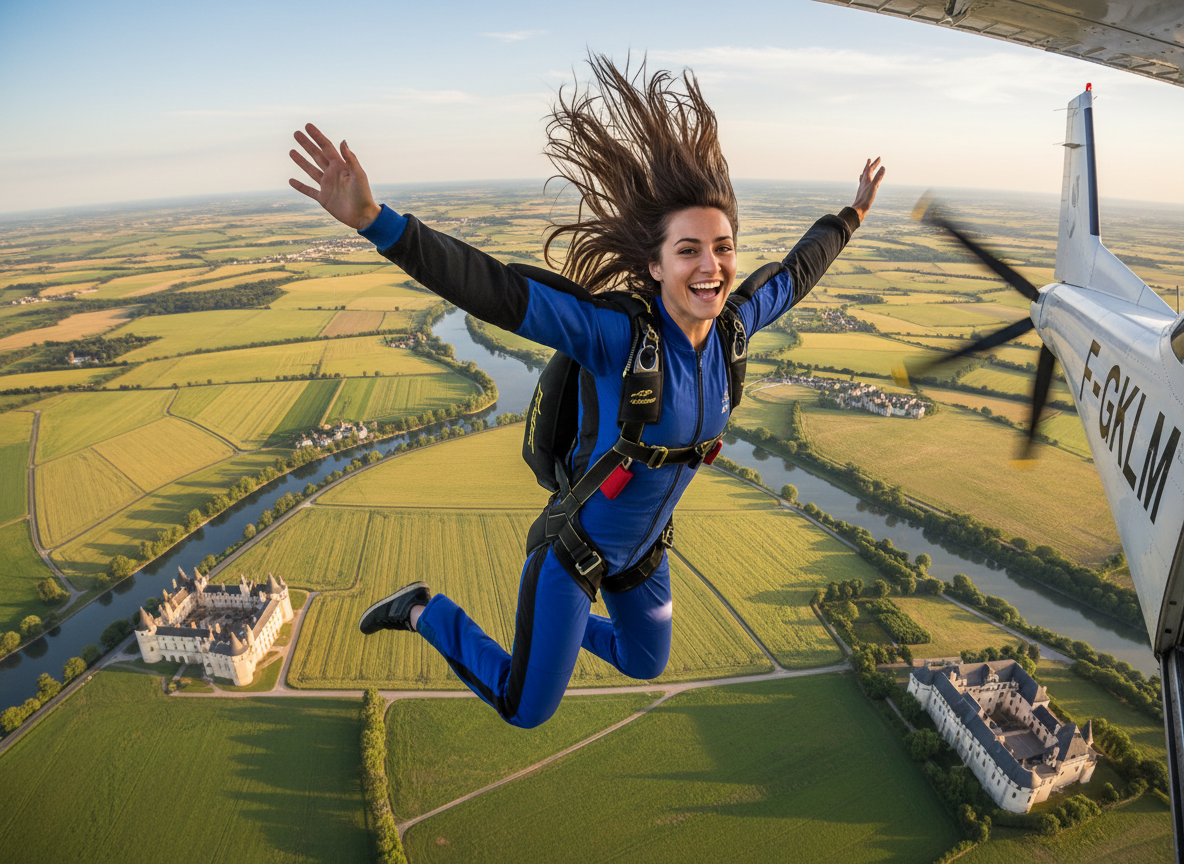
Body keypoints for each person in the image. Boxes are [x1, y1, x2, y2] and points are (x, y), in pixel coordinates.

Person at [289, 56, 884, 728]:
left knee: (643, 661)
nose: (711, 265)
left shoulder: (733, 332)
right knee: (525, 707)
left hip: (644, 554)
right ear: (655, 265)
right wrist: (377, 222)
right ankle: (425, 610)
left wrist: (852, 214)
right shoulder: (614, 337)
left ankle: (557, 642)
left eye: (722, 247)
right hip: (573, 555)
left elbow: (799, 272)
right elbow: (497, 289)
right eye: (688, 251)